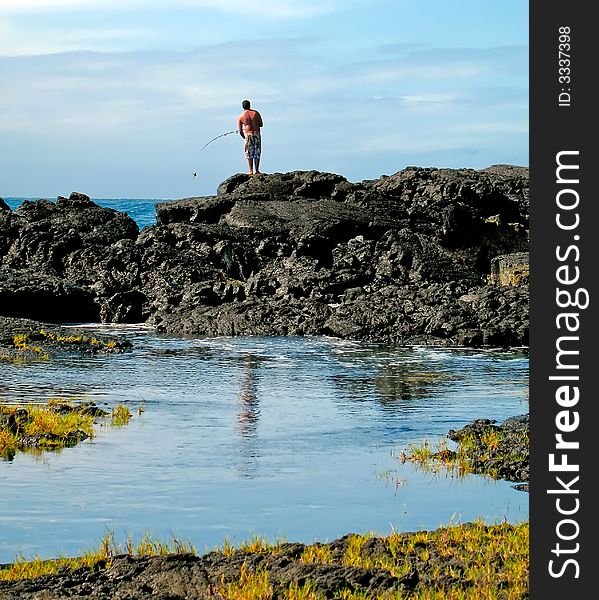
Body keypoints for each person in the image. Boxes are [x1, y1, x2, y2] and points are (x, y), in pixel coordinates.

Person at [237, 100, 263, 175]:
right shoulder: (256, 113)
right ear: (250, 105)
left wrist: (244, 137)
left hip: (248, 135)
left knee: (249, 153)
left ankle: (251, 171)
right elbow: (261, 124)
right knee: (257, 152)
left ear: (243, 106)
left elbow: (241, 132)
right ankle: (257, 170)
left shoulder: (241, 116)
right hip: (257, 134)